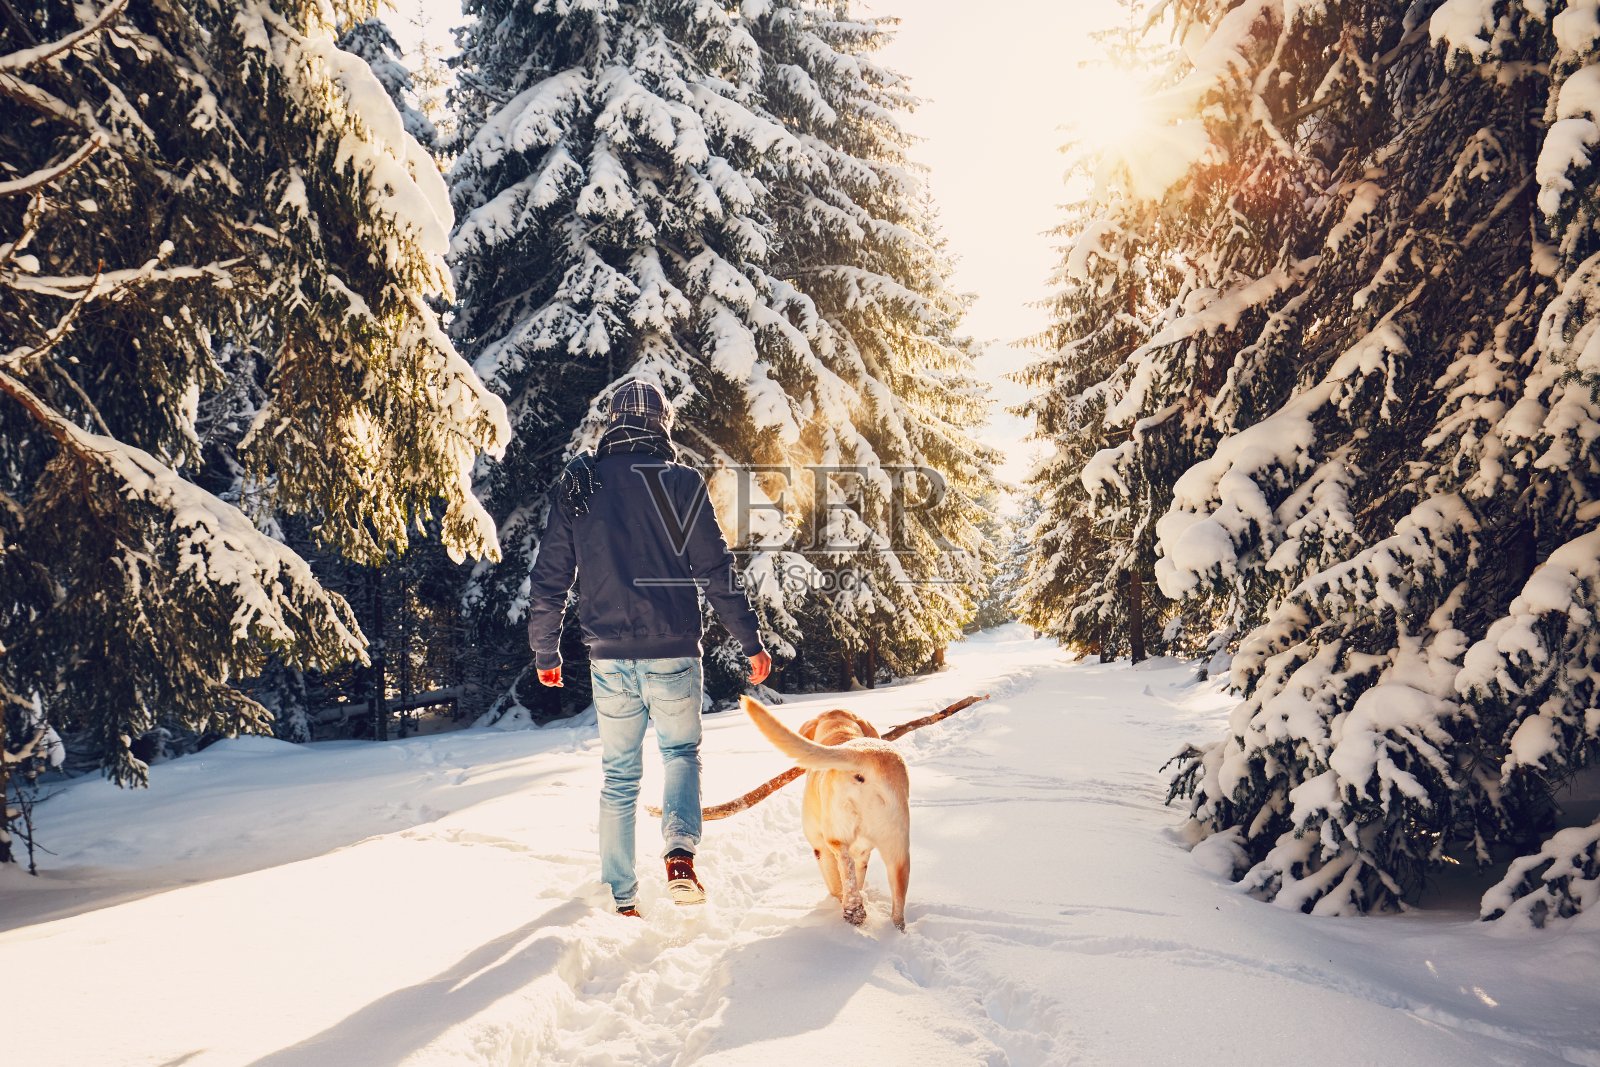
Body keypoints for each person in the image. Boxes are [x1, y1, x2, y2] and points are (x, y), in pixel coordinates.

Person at [526, 379, 772, 917]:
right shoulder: (681, 482)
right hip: (675, 650)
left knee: (619, 773)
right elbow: (714, 569)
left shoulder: (581, 482)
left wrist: (547, 652)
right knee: (680, 754)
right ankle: (680, 856)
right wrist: (749, 639)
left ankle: (621, 896)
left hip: (608, 657)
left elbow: (550, 576)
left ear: (611, 421)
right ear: (662, 424)